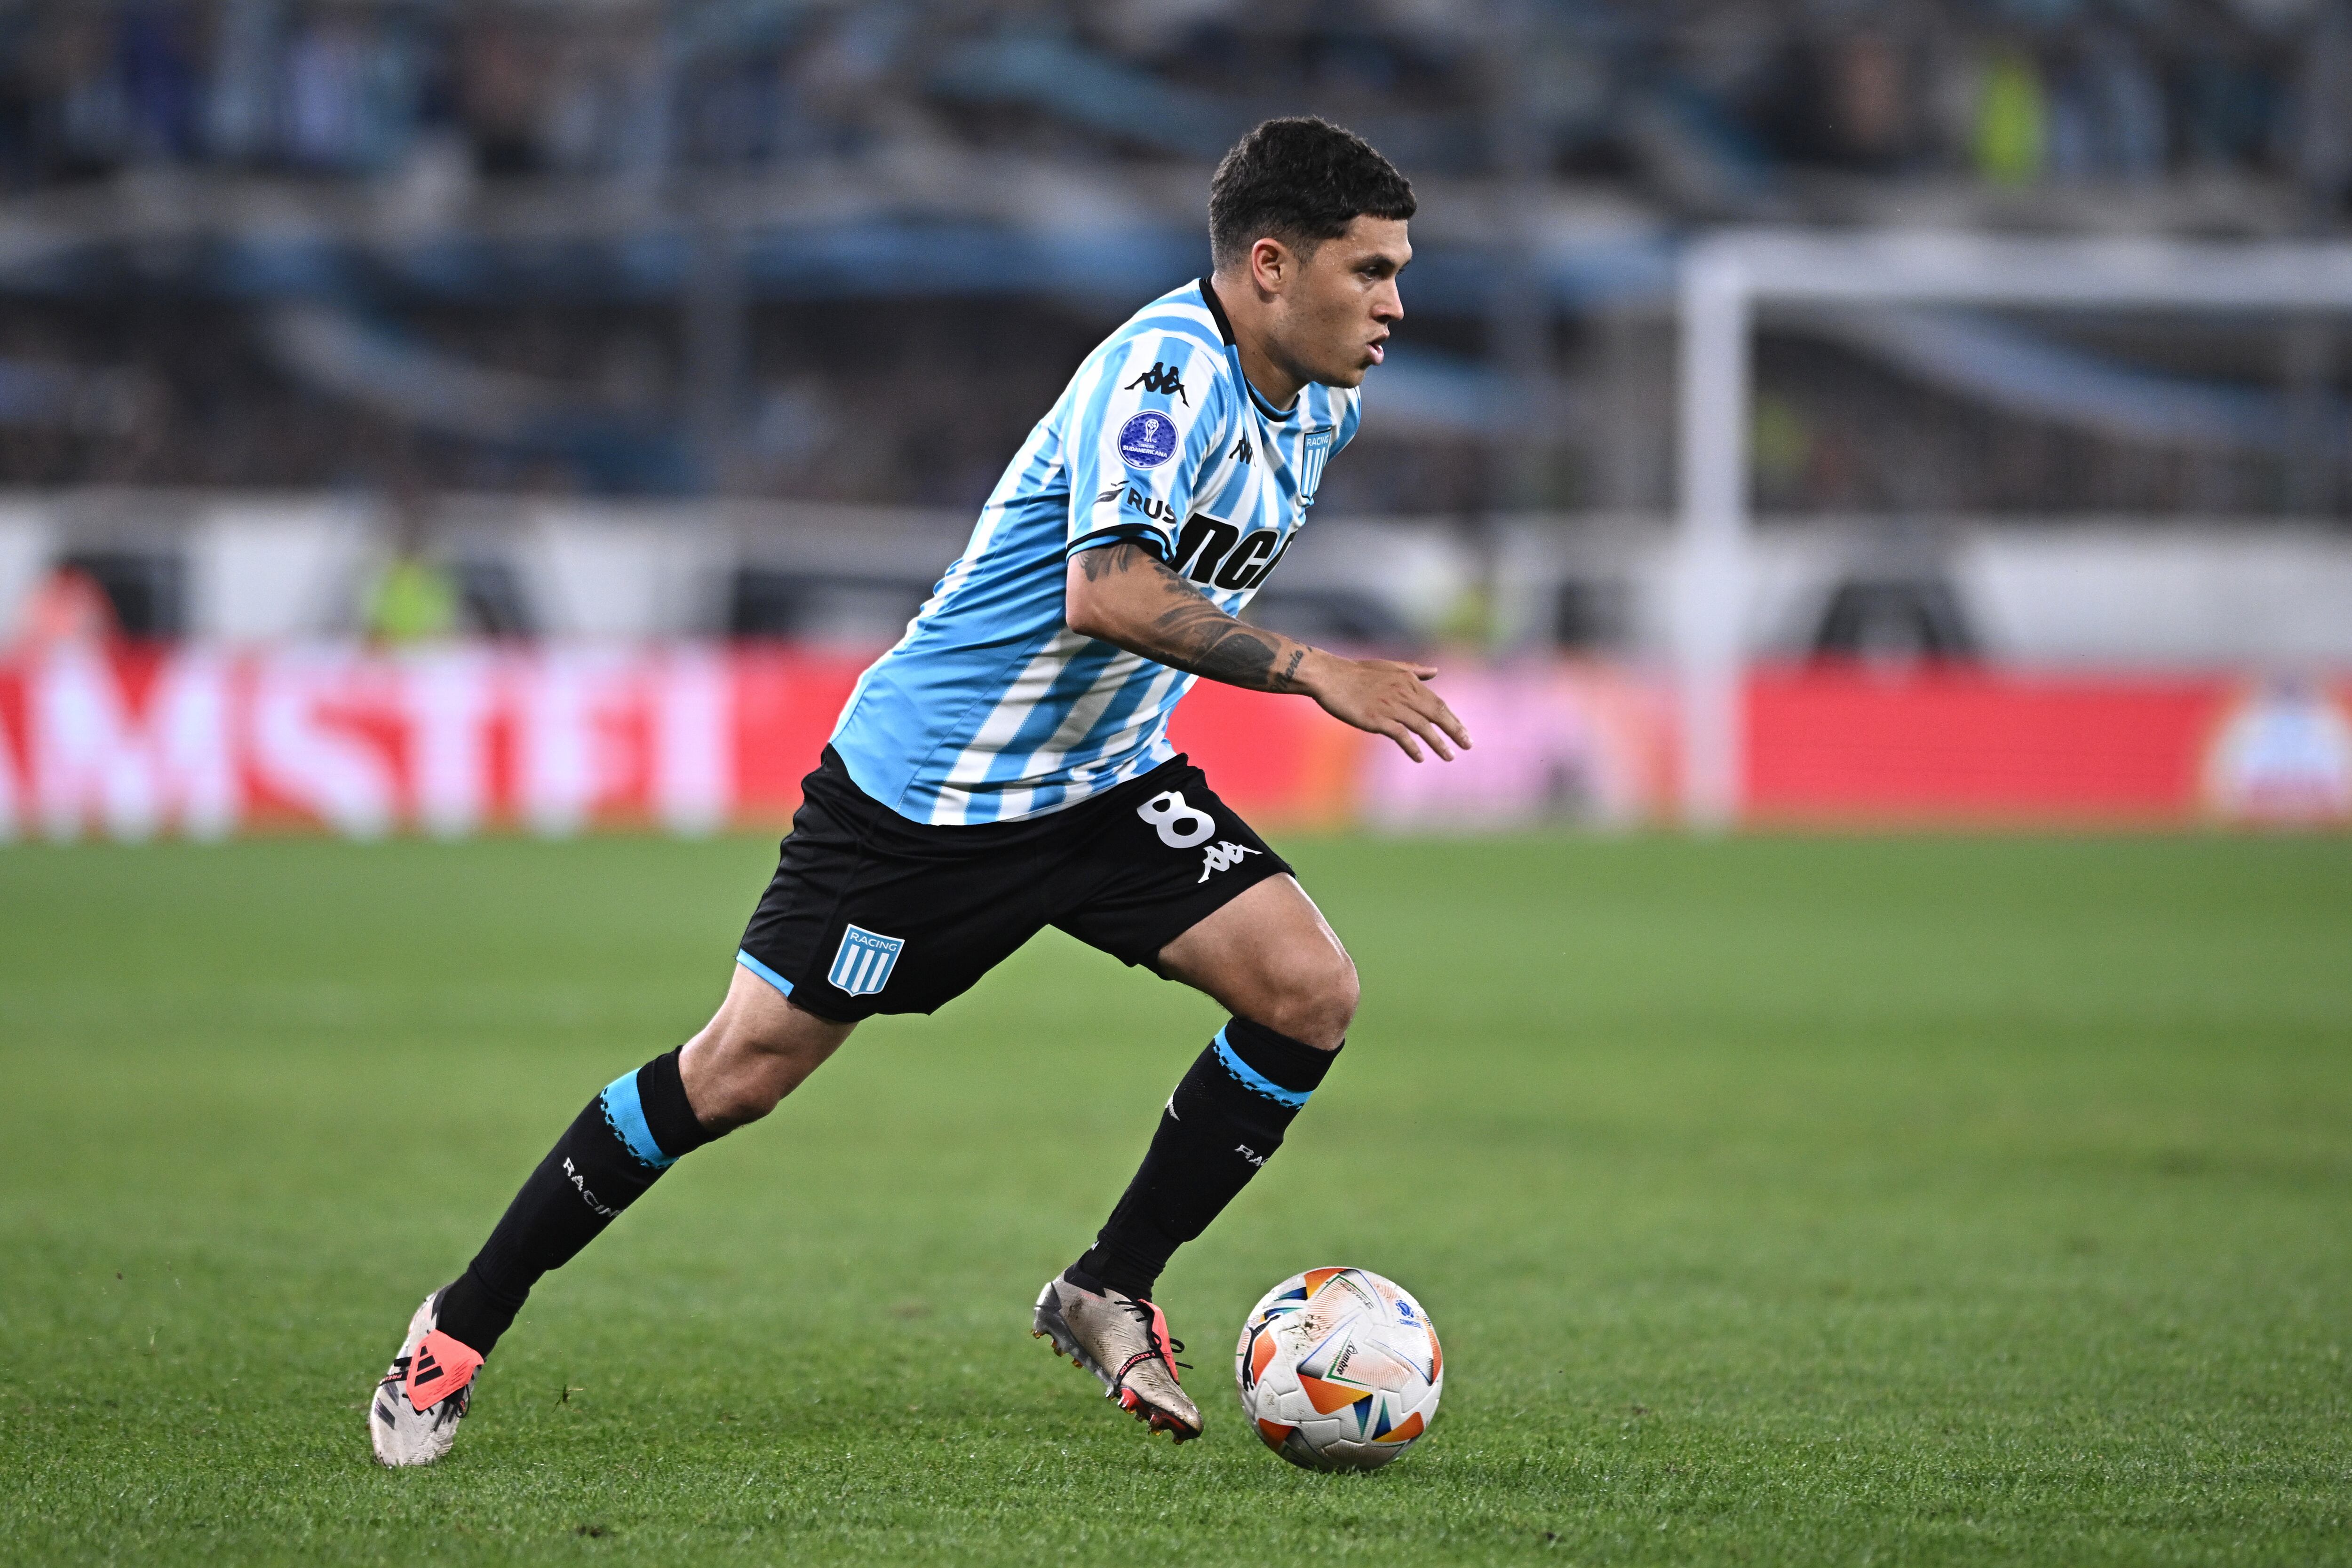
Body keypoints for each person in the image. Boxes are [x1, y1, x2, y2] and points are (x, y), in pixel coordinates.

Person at [369, 116, 1470, 1466]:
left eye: (1400, 271)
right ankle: (456, 1330)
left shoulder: (1329, 404)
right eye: (1369, 272)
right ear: (1266, 267)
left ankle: (1104, 1286)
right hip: (922, 802)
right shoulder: (1160, 379)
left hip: (1103, 783)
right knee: (738, 1073)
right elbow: (1108, 589)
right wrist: (1312, 672)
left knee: (1311, 991)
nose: (1397, 304)